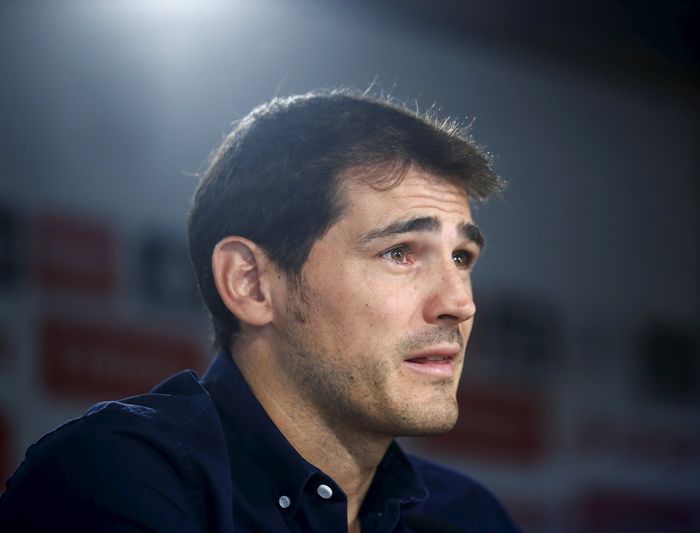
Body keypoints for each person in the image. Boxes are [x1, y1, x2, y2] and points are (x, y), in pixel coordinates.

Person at [0, 90, 519, 532]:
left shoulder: (471, 517)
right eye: (400, 253)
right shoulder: (112, 481)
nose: (459, 303)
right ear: (250, 283)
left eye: (461, 258)